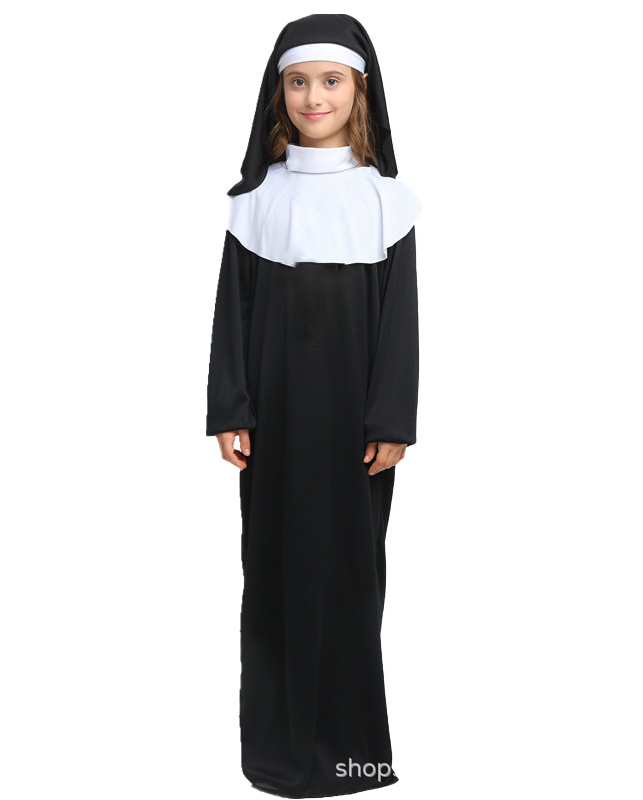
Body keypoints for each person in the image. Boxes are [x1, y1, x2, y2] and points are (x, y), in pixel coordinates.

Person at [205, 13, 421, 798]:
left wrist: (392, 420)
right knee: (271, 576)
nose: (312, 97)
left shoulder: (387, 202)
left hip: (355, 430)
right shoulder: (255, 200)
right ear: (279, 93)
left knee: (350, 582)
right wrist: (231, 407)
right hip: (272, 424)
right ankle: (277, 755)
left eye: (330, 81)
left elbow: (400, 322)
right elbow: (232, 313)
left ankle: (351, 756)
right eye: (298, 82)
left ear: (359, 91)